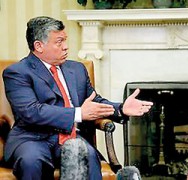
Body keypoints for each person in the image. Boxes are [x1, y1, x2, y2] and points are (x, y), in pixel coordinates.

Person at [2, 16, 153, 180]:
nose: (66, 47)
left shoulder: (77, 69)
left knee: (85, 154)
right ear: (39, 46)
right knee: (31, 161)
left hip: (71, 137)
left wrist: (120, 108)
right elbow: (31, 111)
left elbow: (94, 101)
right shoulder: (17, 72)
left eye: (65, 40)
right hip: (32, 139)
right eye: (59, 42)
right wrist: (79, 113)